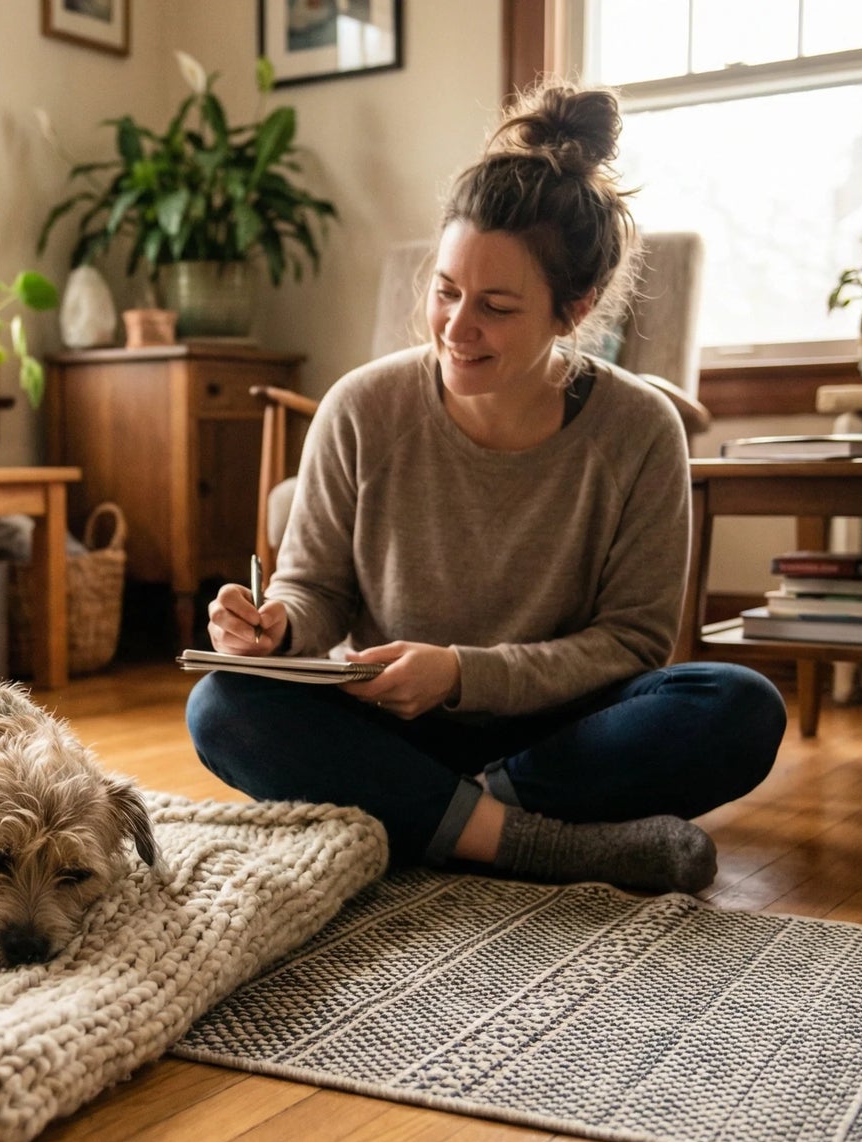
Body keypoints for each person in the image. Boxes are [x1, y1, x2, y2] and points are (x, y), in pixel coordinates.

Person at [185, 83, 786, 894]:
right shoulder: (361, 406)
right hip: (395, 725)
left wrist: (464, 672)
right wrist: (276, 627)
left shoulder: (640, 429)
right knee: (223, 705)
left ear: (573, 311)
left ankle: (436, 823)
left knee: (740, 706)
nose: (456, 329)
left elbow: (634, 644)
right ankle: (536, 844)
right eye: (446, 290)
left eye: (497, 307)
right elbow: (315, 585)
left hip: (562, 737)